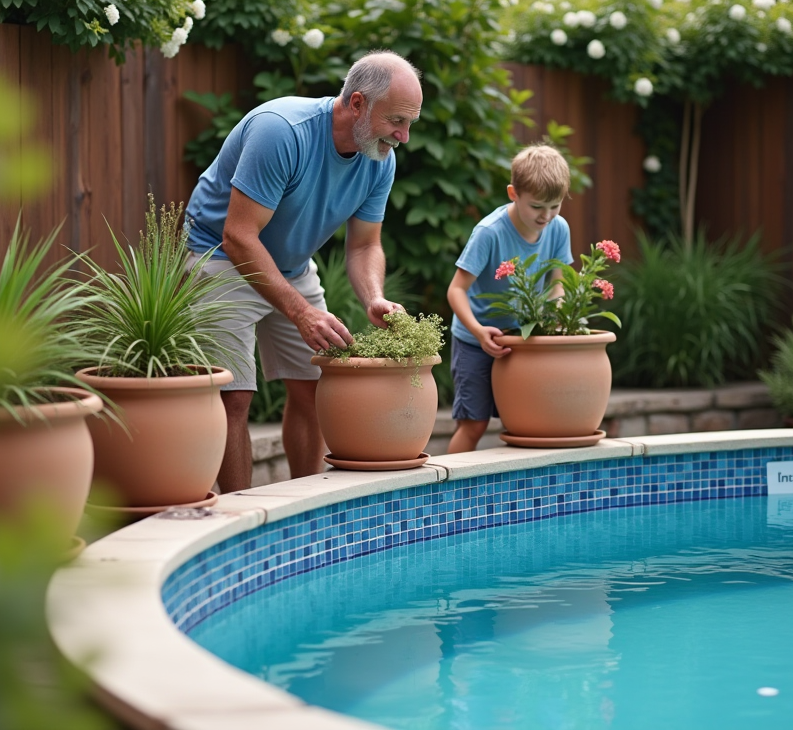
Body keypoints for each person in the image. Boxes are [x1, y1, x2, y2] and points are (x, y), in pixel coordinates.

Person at [184, 50, 423, 493]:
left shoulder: (379, 158)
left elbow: (365, 245)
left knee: (315, 390)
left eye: (410, 123)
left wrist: (373, 295)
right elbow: (238, 236)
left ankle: (300, 509)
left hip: (291, 266)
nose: (404, 136)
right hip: (219, 256)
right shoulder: (283, 132)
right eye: (396, 121)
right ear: (357, 103)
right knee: (232, 397)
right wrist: (300, 312)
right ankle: (242, 520)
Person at [445, 144, 572, 453]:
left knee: (524, 422)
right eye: (538, 206)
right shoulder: (490, 232)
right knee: (474, 425)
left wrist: (554, 316)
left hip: (522, 342)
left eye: (555, 206)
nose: (546, 216)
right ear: (513, 193)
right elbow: (456, 290)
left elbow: (559, 284)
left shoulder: (558, 228)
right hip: (477, 342)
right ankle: (448, 497)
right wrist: (478, 331)